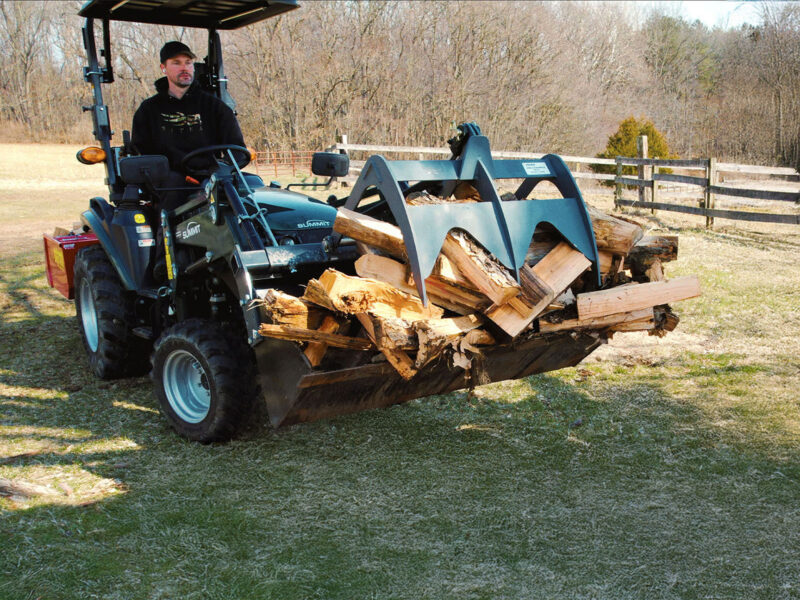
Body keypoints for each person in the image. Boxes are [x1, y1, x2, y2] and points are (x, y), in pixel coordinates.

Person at [131, 41, 246, 211]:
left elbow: (237, 148)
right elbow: (141, 152)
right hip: (171, 179)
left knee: (249, 185)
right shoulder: (149, 109)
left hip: (211, 174)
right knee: (174, 186)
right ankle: (165, 236)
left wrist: (223, 169)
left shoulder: (214, 106)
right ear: (164, 68)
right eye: (176, 63)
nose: (184, 68)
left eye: (188, 63)